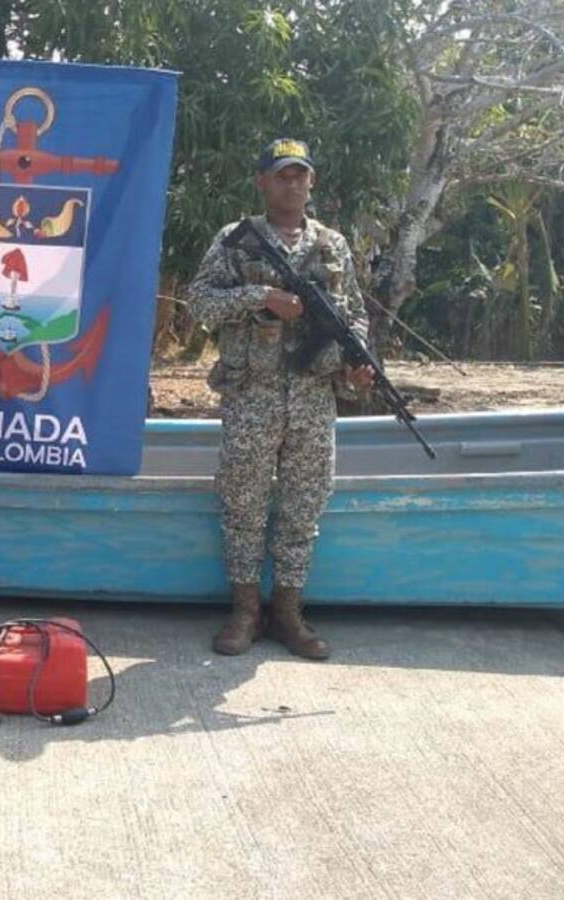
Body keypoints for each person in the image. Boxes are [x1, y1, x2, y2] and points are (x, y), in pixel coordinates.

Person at [186, 138, 373, 660]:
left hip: (314, 398)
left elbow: (354, 312)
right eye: (282, 175)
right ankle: (245, 611)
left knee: (303, 507)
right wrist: (260, 298)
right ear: (262, 182)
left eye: (300, 175)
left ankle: (289, 613)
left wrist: (359, 361)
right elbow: (199, 302)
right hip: (253, 396)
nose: (292, 183)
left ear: (311, 182)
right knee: (242, 503)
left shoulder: (332, 245)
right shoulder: (234, 240)